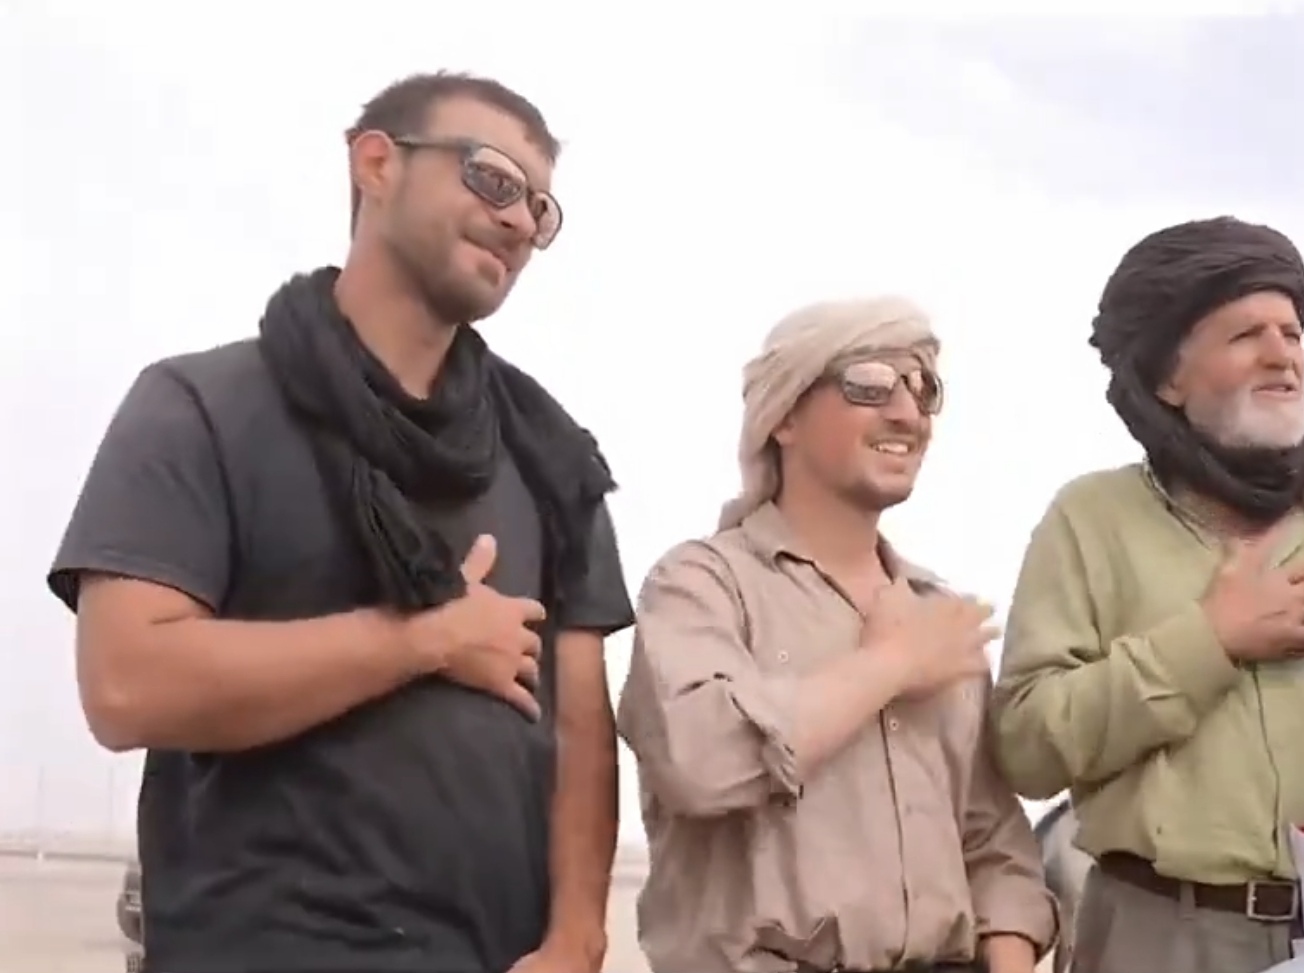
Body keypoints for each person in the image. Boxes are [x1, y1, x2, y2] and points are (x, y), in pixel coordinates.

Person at [49, 72, 631, 973]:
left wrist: (575, 939)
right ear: (376, 165)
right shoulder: (200, 405)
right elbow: (127, 684)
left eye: (541, 208)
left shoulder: (552, 455)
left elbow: (583, 727)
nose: (519, 220)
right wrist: (424, 640)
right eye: (492, 178)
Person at [991, 217, 1304, 973]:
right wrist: (1209, 641)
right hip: (1155, 935)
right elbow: (1026, 747)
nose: (1282, 353)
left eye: (1292, 332)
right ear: (1168, 380)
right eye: (1247, 334)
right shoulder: (1089, 520)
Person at [616, 297, 1058, 973]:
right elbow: (699, 762)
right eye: (870, 383)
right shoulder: (702, 585)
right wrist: (891, 664)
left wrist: (1011, 957)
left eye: (924, 389)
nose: (908, 413)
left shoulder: (935, 613)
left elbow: (993, 839)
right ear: (784, 416)